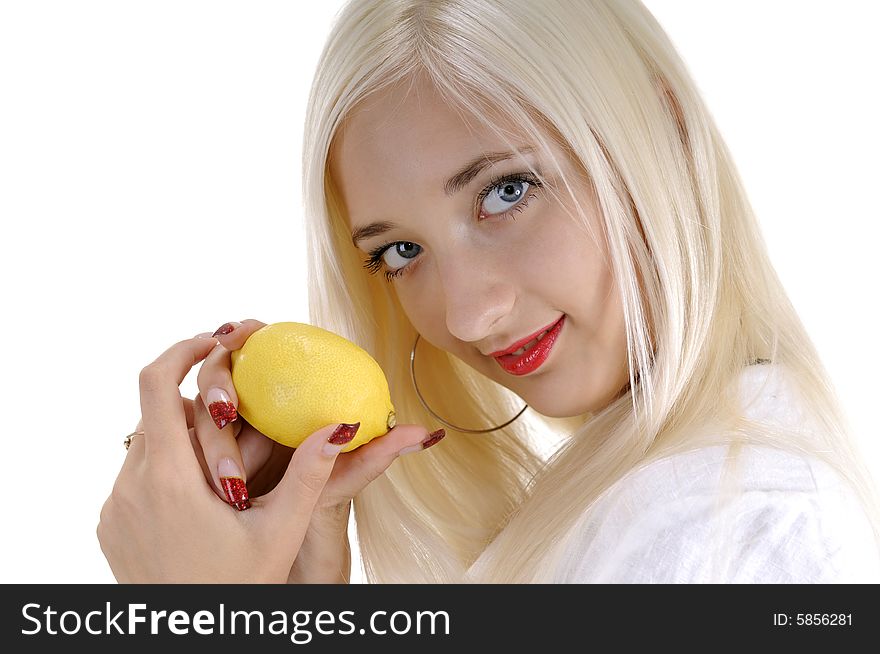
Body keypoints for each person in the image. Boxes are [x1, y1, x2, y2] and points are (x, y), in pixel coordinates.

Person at [98, 0, 880, 583]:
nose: (467, 315)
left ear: (663, 134)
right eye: (399, 251)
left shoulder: (737, 526)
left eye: (507, 191)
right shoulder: (655, 495)